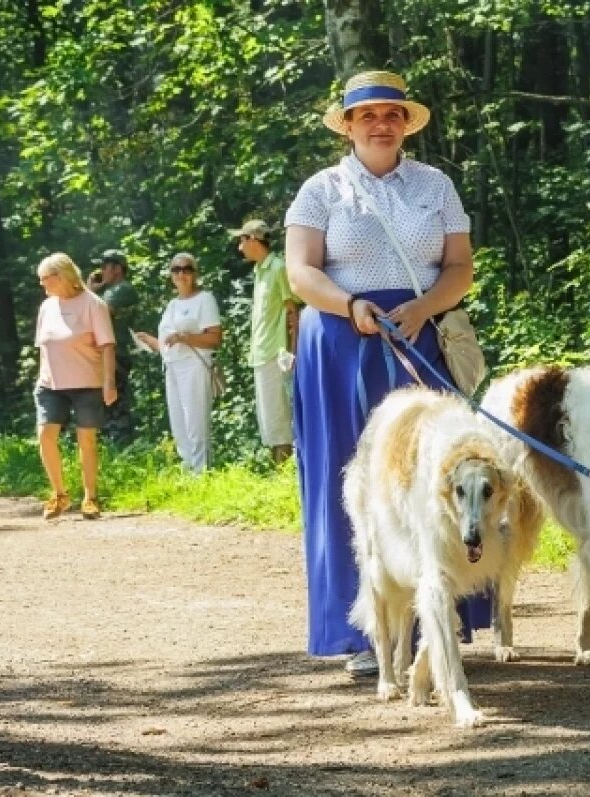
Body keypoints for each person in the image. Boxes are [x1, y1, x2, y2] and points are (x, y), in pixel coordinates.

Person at [284, 70, 490, 676]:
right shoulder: (320, 190)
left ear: (407, 122)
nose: (381, 123)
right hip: (340, 341)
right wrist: (350, 306)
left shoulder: (437, 185)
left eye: (392, 114)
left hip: (418, 339)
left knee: (437, 474)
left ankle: (442, 623)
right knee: (351, 482)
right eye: (367, 114)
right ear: (347, 124)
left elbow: (458, 267)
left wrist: (424, 307)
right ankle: (363, 633)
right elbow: (300, 272)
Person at [34, 252, 118, 520]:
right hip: (50, 383)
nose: (42, 285)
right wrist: (42, 378)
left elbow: (107, 346)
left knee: (87, 439)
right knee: (46, 434)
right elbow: (43, 347)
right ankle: (59, 494)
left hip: (87, 383)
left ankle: (90, 497)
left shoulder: (93, 304)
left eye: (45, 279)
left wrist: (109, 383)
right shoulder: (47, 306)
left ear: (61, 277)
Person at [134, 253, 223, 474]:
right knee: (179, 423)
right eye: (176, 270)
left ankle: (201, 473)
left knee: (195, 421)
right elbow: (167, 344)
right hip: (172, 366)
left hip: (194, 365)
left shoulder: (204, 299)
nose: (181, 274)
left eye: (187, 269)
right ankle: (187, 469)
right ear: (171, 275)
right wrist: (150, 341)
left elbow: (215, 338)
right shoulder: (172, 305)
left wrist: (185, 338)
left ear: (195, 273)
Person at [229, 219, 298, 465]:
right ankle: (277, 470)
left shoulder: (278, 268)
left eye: (242, 240)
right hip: (260, 353)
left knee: (279, 416)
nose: (240, 247)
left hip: (276, 353)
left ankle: (284, 471)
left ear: (254, 240)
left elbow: (293, 311)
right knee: (268, 417)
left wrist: (292, 352)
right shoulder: (259, 271)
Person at [87, 249, 139, 444]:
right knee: (103, 410)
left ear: (117, 269)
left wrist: (89, 292)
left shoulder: (122, 289)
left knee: (116, 409)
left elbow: (98, 314)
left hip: (116, 358)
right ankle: (109, 452)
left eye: (104, 266)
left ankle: (122, 451)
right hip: (105, 357)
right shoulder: (106, 292)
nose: (100, 271)